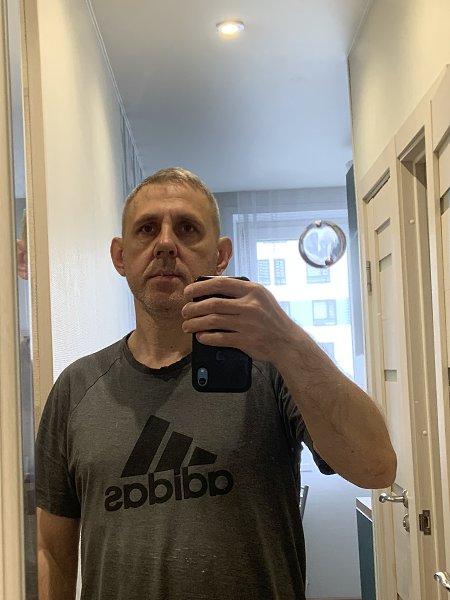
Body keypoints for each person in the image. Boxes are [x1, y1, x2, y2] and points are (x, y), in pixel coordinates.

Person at [36, 167, 396, 600]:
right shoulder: (75, 390)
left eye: (187, 229)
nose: (165, 243)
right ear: (120, 256)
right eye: (147, 229)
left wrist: (286, 339)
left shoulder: (271, 367)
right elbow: (53, 552)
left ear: (220, 256)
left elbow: (376, 467)